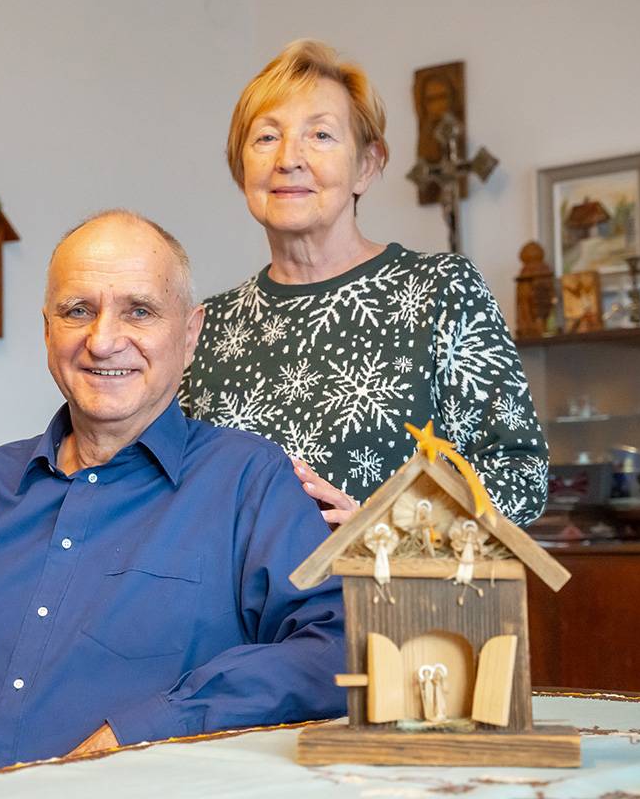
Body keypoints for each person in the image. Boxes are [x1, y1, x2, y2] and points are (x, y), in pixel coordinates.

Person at [0, 211, 345, 792]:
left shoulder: (250, 479)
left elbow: (334, 650)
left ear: (189, 333)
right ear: (48, 331)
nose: (102, 341)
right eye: (78, 310)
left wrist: (147, 731)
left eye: (139, 310)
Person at [182, 40, 548, 528]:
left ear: (367, 166)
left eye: (321, 135)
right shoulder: (206, 327)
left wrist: (387, 527)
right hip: (244, 583)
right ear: (240, 167)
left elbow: (519, 474)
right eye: (266, 137)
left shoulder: (442, 290)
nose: (289, 158)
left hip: (393, 577)